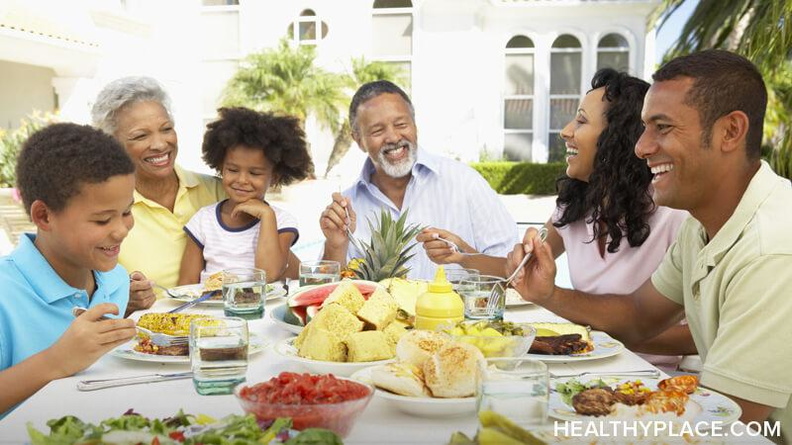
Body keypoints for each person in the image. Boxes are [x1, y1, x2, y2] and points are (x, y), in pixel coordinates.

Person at [509, 50, 792, 442]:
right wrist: (548, 293)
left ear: (730, 131)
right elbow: (639, 315)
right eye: (643, 127)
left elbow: (729, 426)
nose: (640, 147)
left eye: (662, 127)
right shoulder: (701, 224)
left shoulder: (774, 251)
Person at [430, 69, 693, 368]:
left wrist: (612, 334)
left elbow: (699, 337)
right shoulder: (575, 205)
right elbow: (520, 274)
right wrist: (462, 255)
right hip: (582, 363)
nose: (565, 131)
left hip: (648, 375)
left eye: (581, 121)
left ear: (616, 138)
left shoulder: (673, 213)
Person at [0, 123, 137, 416]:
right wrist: (56, 361)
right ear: (44, 215)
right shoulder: (4, 295)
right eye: (102, 220)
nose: (121, 230)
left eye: (126, 212)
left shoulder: (115, 280)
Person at [319, 80, 517, 279]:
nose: (393, 137)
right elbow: (327, 299)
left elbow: (515, 271)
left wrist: (463, 255)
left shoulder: (465, 183)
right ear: (359, 140)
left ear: (415, 125)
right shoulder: (346, 210)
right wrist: (335, 246)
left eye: (401, 124)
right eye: (378, 131)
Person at [91, 76, 225, 312]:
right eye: (140, 136)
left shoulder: (219, 191)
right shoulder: (101, 212)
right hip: (154, 342)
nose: (160, 144)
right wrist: (122, 300)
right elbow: (82, 296)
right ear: (111, 144)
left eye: (166, 129)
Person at [178, 107, 313, 284]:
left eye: (255, 173)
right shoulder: (203, 220)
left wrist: (266, 215)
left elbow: (268, 274)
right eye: (233, 170)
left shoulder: (281, 222)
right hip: (209, 310)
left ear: (274, 177)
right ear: (220, 167)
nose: (242, 180)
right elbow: (186, 285)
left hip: (260, 310)